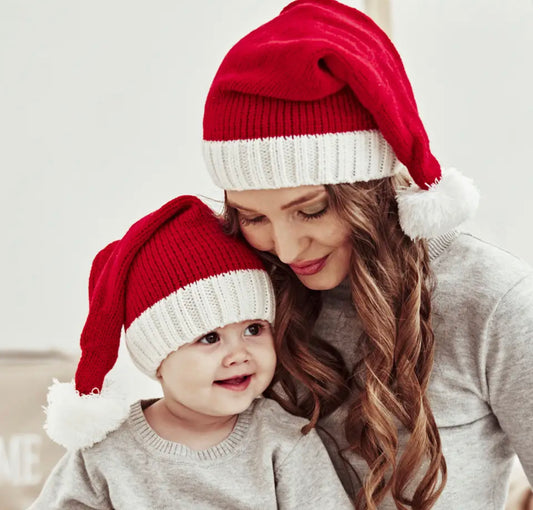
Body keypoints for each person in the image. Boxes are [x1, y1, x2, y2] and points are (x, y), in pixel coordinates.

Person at [201, 0, 533, 509]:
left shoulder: (495, 300)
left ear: (370, 189)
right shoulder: (243, 297)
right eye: (254, 218)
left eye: (311, 210)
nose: (286, 249)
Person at [29, 195, 352, 509]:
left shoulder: (284, 442)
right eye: (210, 338)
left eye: (253, 329)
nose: (239, 354)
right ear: (157, 357)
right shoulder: (105, 452)